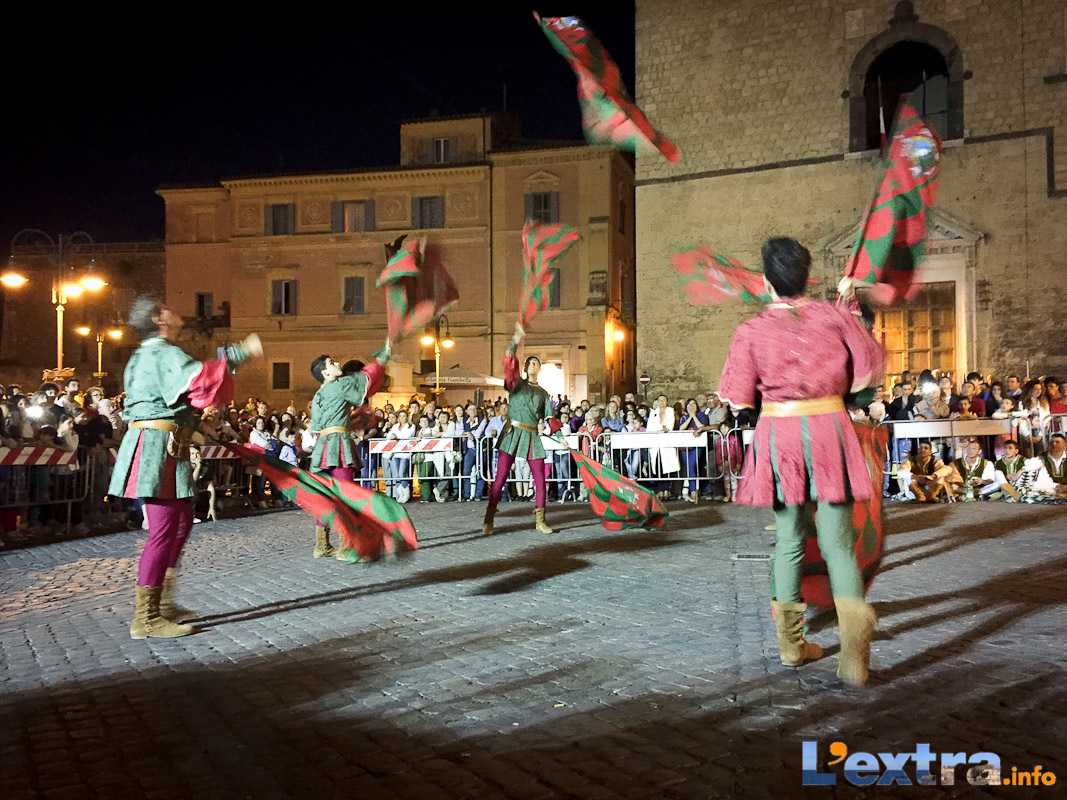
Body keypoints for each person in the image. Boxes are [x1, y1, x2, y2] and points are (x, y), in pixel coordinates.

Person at [718, 237, 883, 686]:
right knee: (838, 545)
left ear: (767, 280)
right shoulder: (834, 318)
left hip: (780, 435)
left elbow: (738, 399)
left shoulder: (751, 331)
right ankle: (854, 657)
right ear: (807, 276)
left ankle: (792, 646)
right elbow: (866, 375)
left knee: (789, 540)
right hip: (830, 430)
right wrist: (848, 313)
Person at [108, 296, 262, 639]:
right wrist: (240, 352)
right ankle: (145, 618)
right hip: (156, 446)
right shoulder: (162, 353)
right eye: (168, 308)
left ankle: (162, 604)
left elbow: (178, 399)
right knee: (163, 531)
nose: (177, 312)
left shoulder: (149, 355)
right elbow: (202, 379)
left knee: (179, 525)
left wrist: (196, 423)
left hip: (166, 444)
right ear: (159, 319)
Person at [307, 347, 389, 556]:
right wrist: (382, 357)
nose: (337, 364)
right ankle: (348, 546)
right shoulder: (340, 384)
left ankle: (321, 545)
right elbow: (366, 379)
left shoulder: (318, 395)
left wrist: (347, 419)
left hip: (322, 449)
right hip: (339, 447)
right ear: (326, 373)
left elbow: (316, 426)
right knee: (347, 495)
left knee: (325, 497)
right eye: (331, 363)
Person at [483, 325, 553, 536]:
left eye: (536, 363)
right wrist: (515, 341)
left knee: (540, 479)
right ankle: (489, 517)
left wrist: (560, 435)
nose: (533, 365)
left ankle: (540, 520)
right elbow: (509, 363)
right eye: (530, 362)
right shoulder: (516, 385)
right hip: (512, 434)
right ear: (525, 367)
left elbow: (550, 418)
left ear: (539, 369)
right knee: (501, 477)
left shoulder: (544, 393)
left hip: (532, 436)